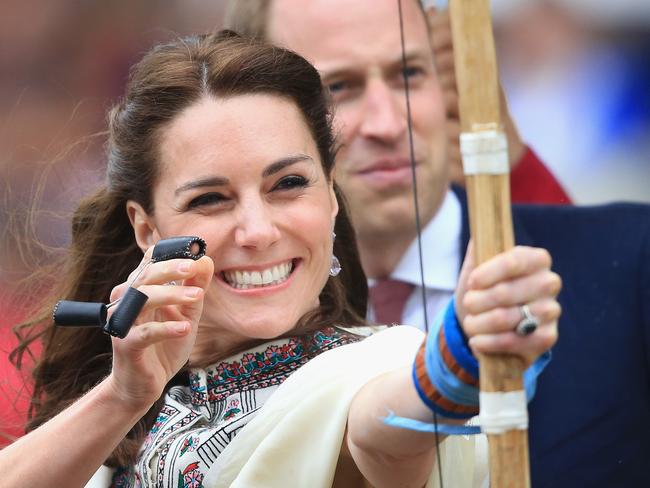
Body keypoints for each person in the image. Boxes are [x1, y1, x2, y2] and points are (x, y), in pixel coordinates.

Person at [3, 31, 560, 487]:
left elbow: (382, 432)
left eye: (289, 184)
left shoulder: (373, 367)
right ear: (146, 228)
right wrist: (124, 395)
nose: (258, 230)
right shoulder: (133, 403)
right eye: (210, 199)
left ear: (332, 195)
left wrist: (452, 363)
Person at [225, 1, 650, 486]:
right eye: (337, 88)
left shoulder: (632, 260)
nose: (388, 123)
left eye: (409, 73)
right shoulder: (215, 329)